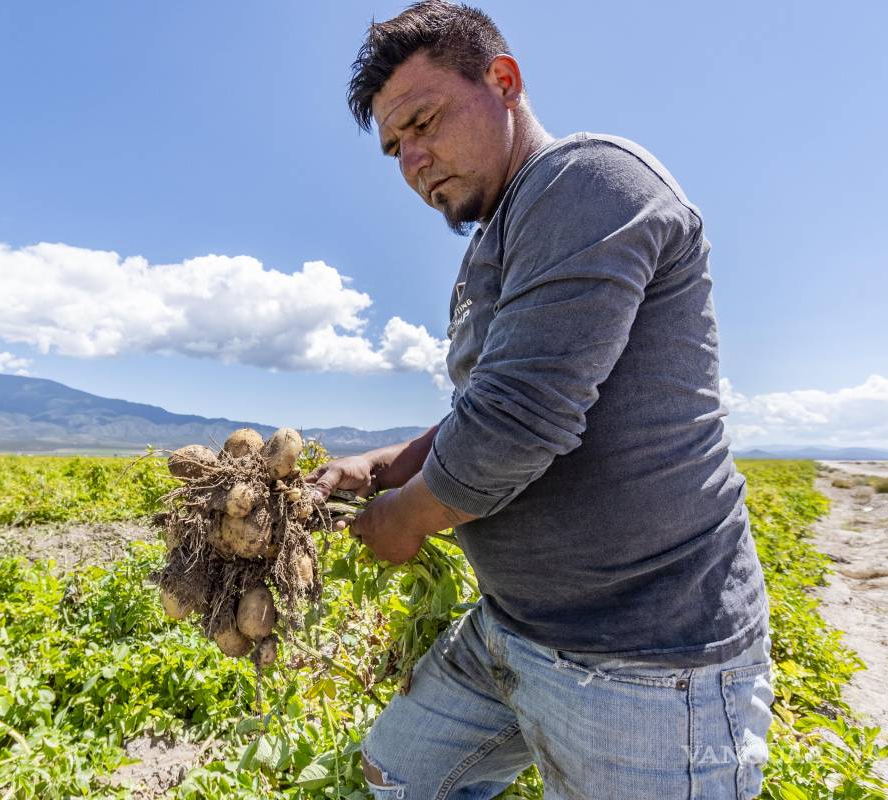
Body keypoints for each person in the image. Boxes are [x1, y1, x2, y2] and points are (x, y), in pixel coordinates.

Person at [305, 2, 775, 798]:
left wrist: (403, 519)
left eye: (424, 121)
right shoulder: (501, 237)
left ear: (504, 80)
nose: (413, 159)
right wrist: (385, 464)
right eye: (395, 147)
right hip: (513, 628)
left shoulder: (590, 181)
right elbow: (487, 404)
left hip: (646, 661)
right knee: (400, 775)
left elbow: (519, 419)